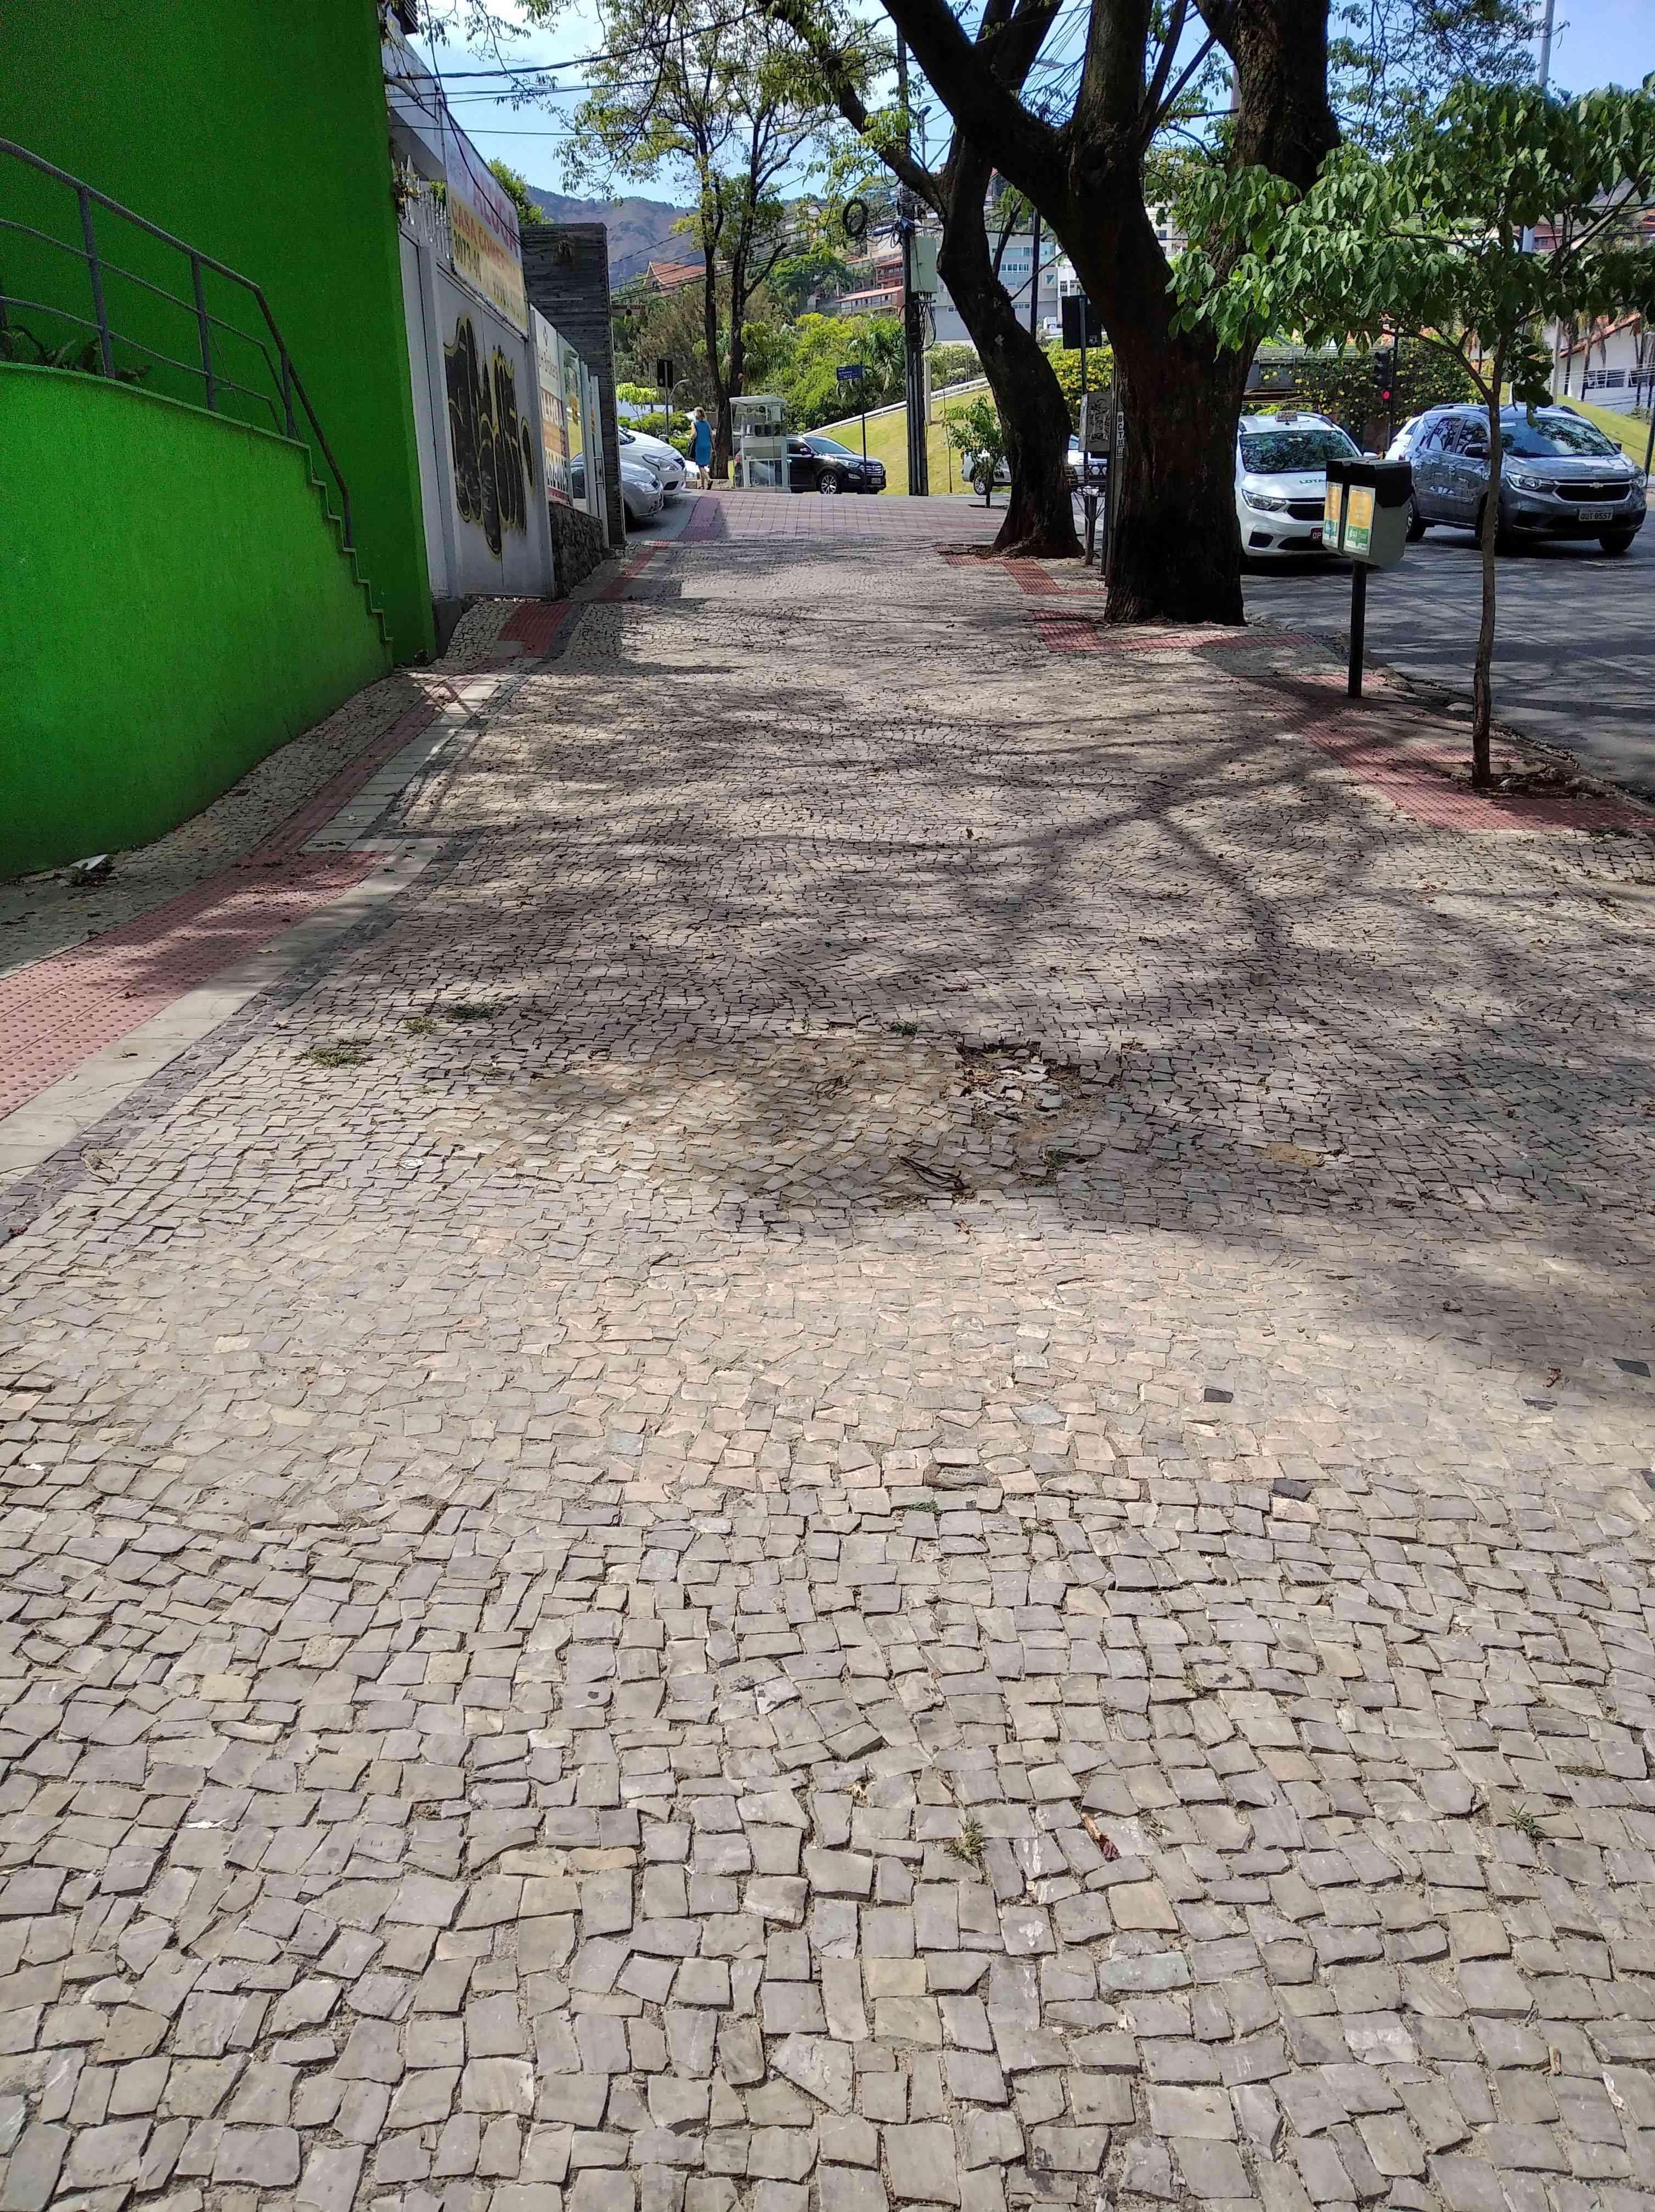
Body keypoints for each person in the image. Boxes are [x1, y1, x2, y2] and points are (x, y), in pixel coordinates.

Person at [689, 406, 713, 488]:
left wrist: (690, 437)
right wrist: (713, 448)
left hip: (699, 446)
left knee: (700, 465)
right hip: (708, 446)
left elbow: (694, 434)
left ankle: (708, 479)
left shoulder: (694, 423)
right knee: (703, 465)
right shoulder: (707, 424)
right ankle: (702, 485)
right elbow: (711, 435)